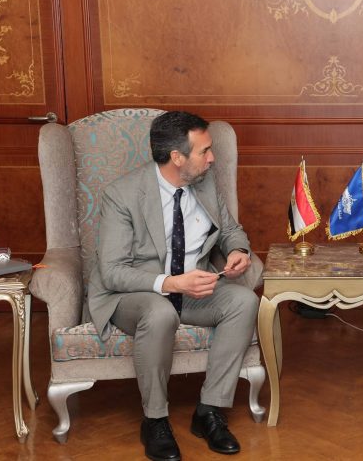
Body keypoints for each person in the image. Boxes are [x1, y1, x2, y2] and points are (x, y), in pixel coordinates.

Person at [88, 111, 259, 461]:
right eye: (204, 151)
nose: (212, 158)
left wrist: (238, 251)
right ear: (177, 157)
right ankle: (154, 420)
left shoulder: (204, 184)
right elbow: (112, 272)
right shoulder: (122, 195)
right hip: (135, 295)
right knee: (160, 313)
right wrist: (170, 282)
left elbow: (230, 229)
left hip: (192, 289)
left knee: (243, 301)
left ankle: (209, 411)